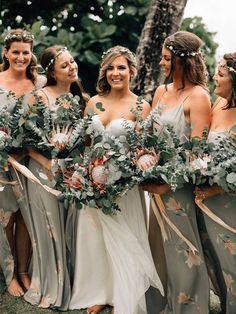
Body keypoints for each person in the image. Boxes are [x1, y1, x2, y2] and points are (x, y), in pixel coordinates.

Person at [69, 45, 164, 314]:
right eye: (110, 67)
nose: (115, 72)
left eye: (121, 67)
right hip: (94, 183)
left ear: (131, 71)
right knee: (95, 240)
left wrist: (125, 174)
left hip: (125, 188)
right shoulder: (93, 103)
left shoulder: (141, 106)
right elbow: (87, 143)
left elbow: (144, 150)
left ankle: (124, 293)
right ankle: (99, 292)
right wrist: (85, 175)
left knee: (125, 239)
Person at [143, 31, 211, 313]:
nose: (161, 63)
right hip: (155, 181)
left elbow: (199, 155)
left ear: (182, 60)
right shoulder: (161, 91)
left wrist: (167, 183)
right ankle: (160, 304)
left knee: (183, 250)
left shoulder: (199, 97)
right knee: (157, 246)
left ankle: (188, 307)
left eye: (167, 58)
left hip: (178, 188)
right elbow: (147, 137)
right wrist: (143, 160)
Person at [23, 45, 88, 309]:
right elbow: (27, 141)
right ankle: (49, 286)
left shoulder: (80, 98)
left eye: (72, 61)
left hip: (71, 172)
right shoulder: (38, 97)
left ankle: (75, 284)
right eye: (65, 65)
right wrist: (48, 164)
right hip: (42, 171)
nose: (72, 67)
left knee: (70, 226)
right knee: (49, 229)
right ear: (52, 72)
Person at [0, 28, 45, 297]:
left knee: (27, 217)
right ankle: (9, 272)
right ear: (6, 52)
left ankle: (24, 270)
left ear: (31, 54)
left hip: (31, 159)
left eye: (25, 52)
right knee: (5, 217)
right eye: (15, 52)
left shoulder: (39, 83)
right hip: (2, 162)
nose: (20, 57)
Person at [196, 53, 236, 313]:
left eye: (220, 75)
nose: (213, 77)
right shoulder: (217, 104)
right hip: (207, 201)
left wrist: (217, 188)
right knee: (216, 261)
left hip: (228, 202)